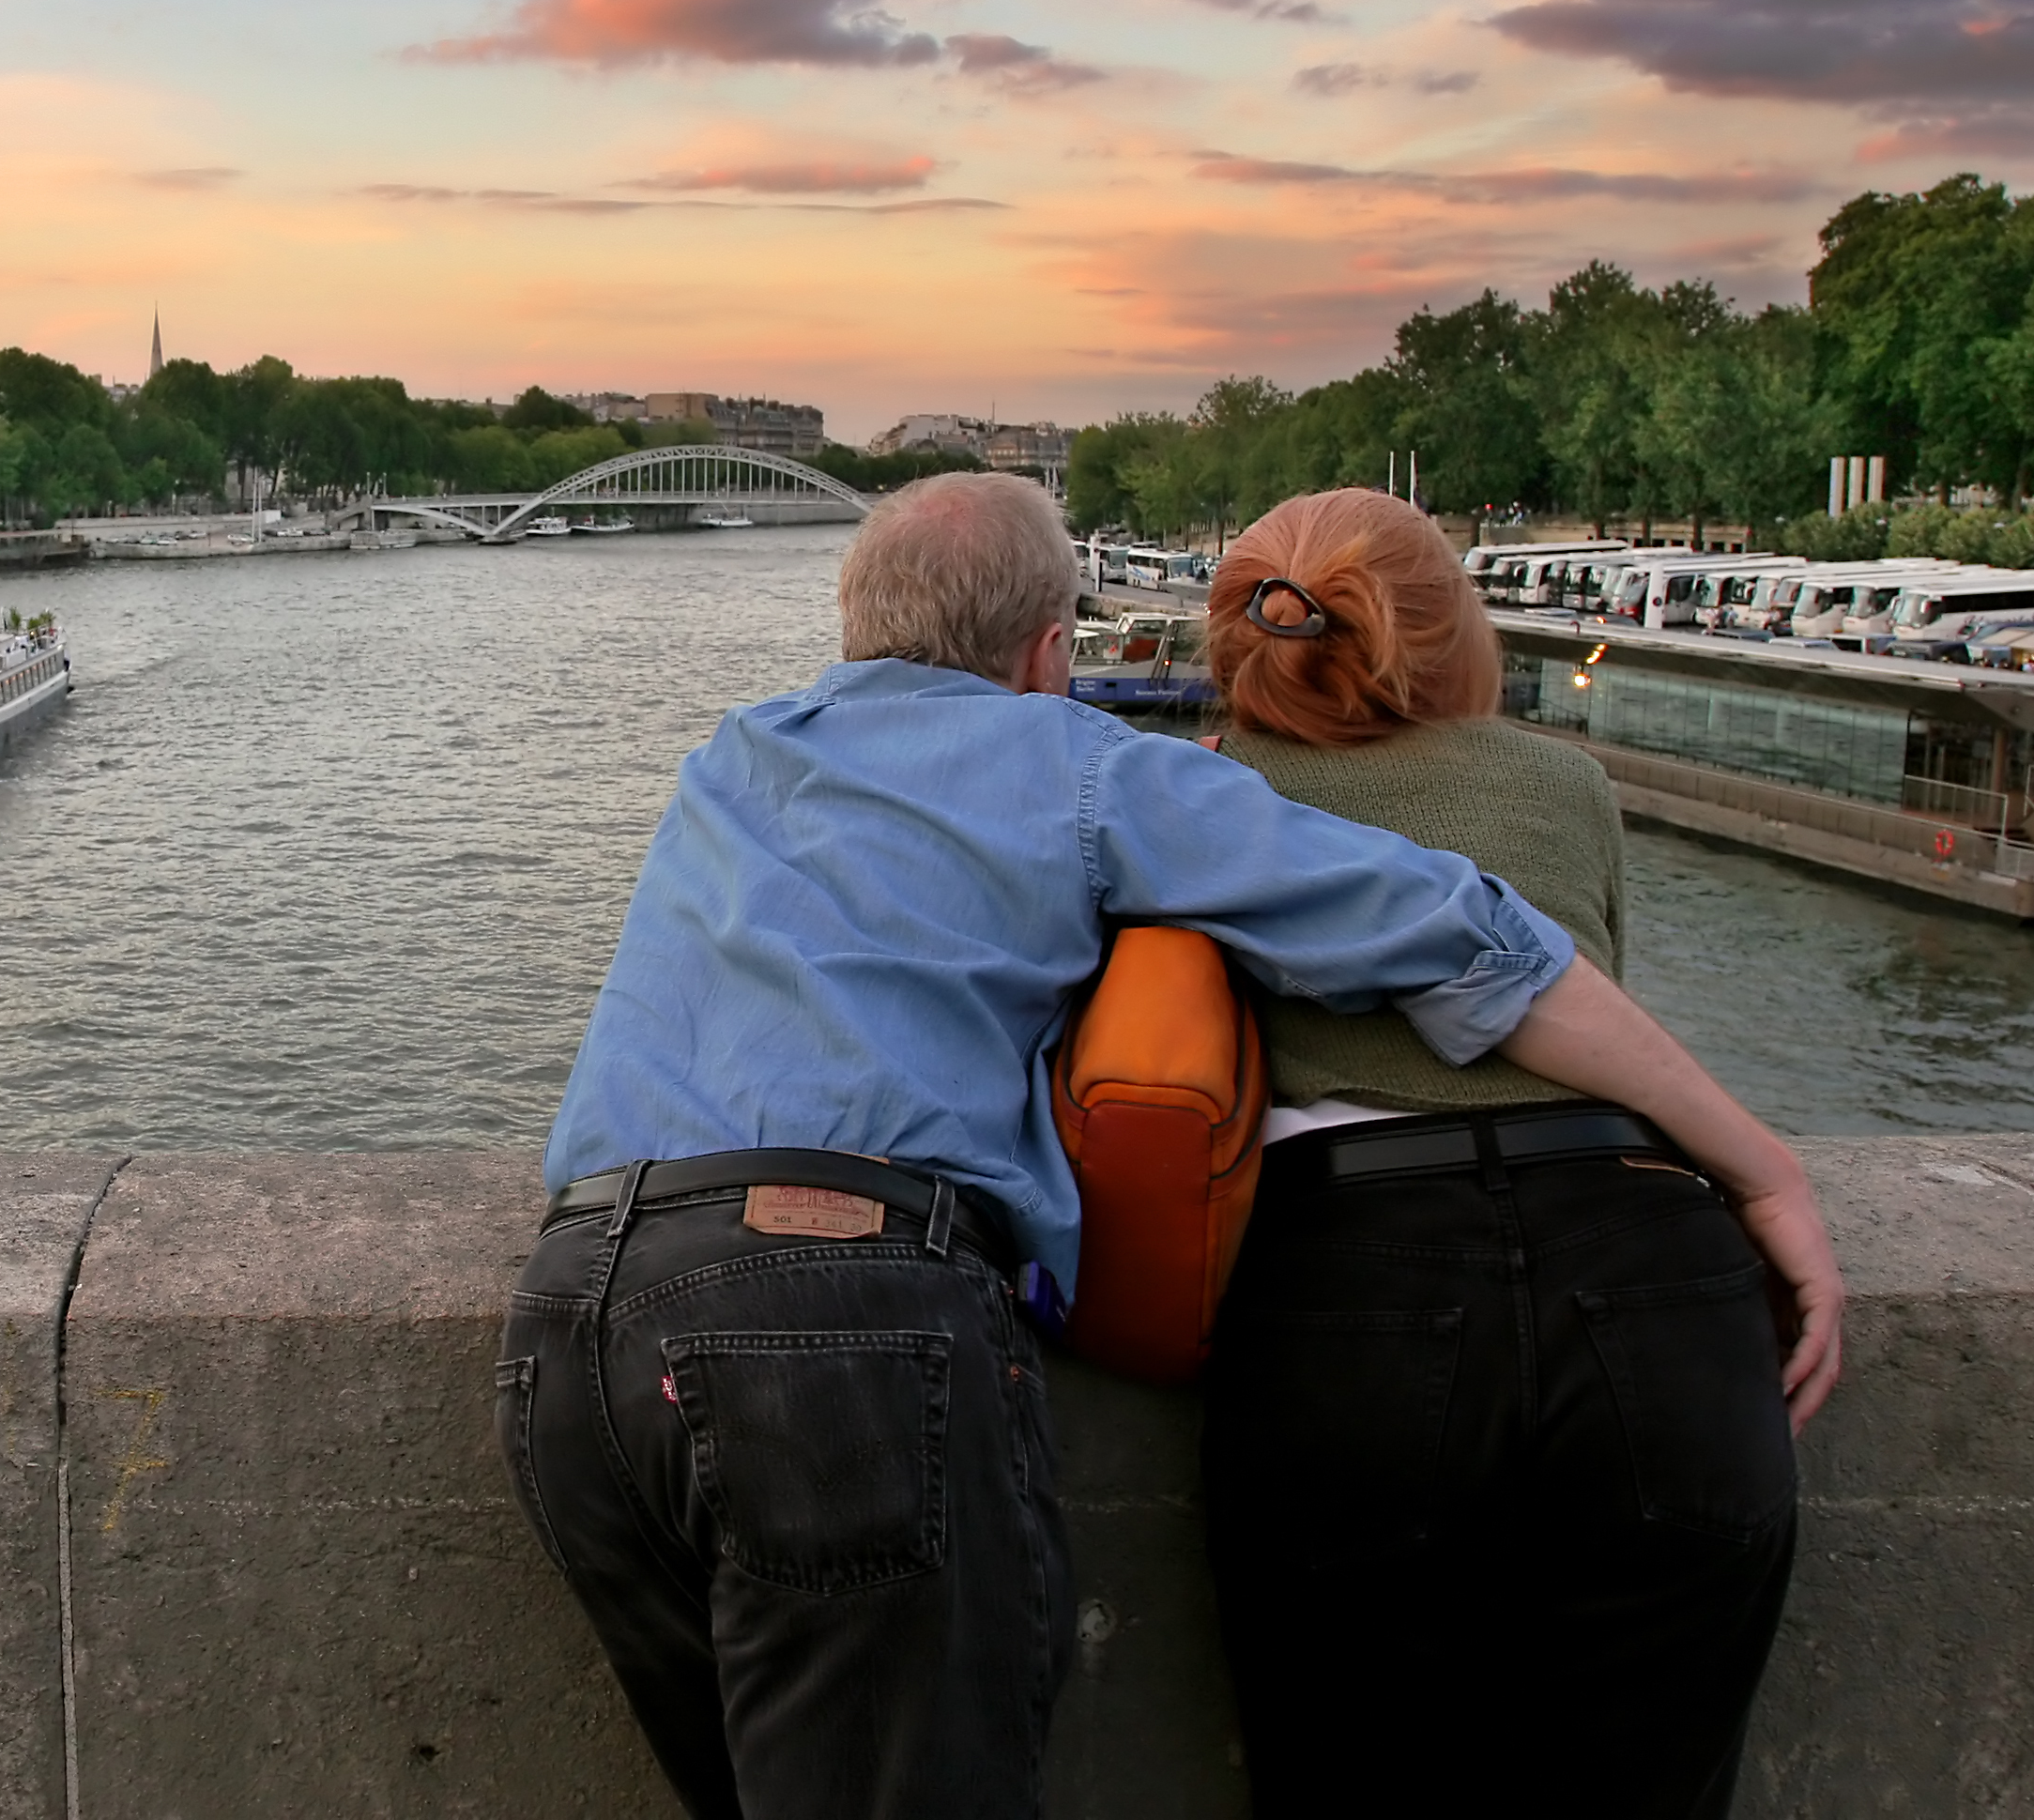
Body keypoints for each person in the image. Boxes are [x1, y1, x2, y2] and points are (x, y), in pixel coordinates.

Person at [497, 471, 1842, 1820]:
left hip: (575, 1329)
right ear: (1048, 651)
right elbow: (1459, 933)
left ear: (853, 623)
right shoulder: (1076, 763)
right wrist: (1761, 1164)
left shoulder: (733, 752)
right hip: (833, 1325)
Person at [1199, 488, 1836, 1818]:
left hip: (1355, 1289)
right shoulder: (1568, 782)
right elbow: (1592, 1027)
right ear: (1450, 638)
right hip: (1654, 1268)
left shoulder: (1208, 793)